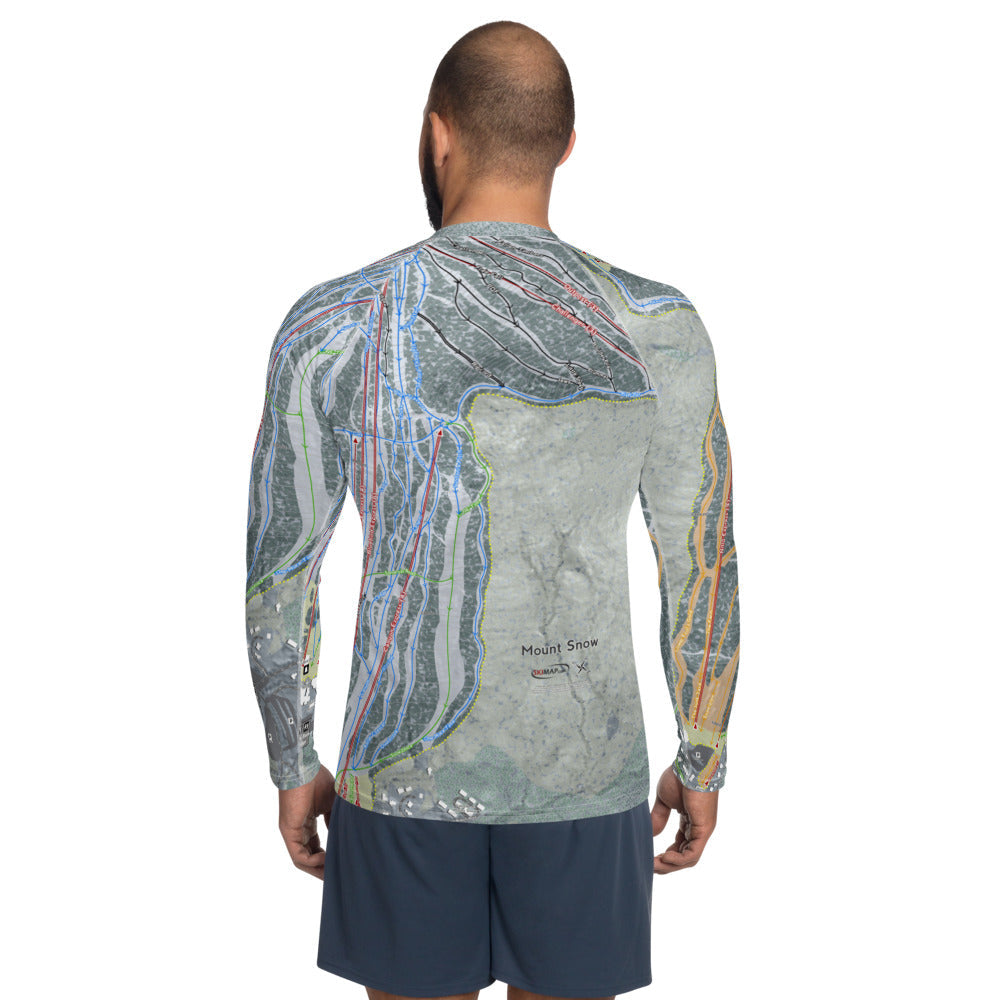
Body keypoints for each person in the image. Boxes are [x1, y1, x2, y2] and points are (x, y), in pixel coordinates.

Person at [245, 19, 741, 1000]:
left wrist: (292, 760)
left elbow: (281, 568)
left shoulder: (333, 322)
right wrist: (704, 754)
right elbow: (703, 558)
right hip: (585, 778)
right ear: (566, 143)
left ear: (438, 134)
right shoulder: (658, 325)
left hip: (398, 779)